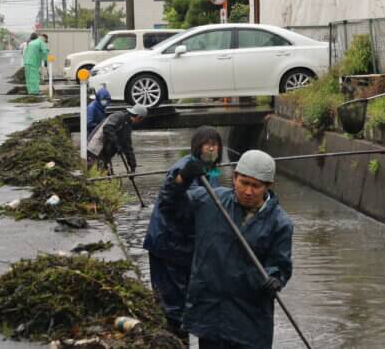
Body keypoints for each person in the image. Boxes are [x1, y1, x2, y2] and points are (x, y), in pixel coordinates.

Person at [158, 149, 293, 349]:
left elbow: (280, 265)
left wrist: (275, 278)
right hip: (210, 313)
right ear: (235, 177)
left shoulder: (280, 223)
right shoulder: (210, 200)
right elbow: (170, 205)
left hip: (249, 318)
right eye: (244, 183)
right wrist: (180, 179)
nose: (248, 191)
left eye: (256, 186)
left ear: (268, 186)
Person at [143, 127, 224, 337]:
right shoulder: (185, 168)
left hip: (185, 246)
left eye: (215, 144)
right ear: (197, 147)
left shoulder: (211, 169)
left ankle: (179, 335)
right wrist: (183, 178)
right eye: (208, 144)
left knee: (186, 298)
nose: (212, 147)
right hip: (168, 244)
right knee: (170, 302)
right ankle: (173, 339)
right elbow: (170, 198)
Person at [86, 103, 148, 173]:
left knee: (105, 173)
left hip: (105, 151)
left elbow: (128, 147)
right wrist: (117, 144)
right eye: (141, 119)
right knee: (94, 172)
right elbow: (107, 128)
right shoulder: (119, 116)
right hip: (94, 148)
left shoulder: (127, 126)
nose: (139, 122)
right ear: (139, 117)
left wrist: (132, 166)